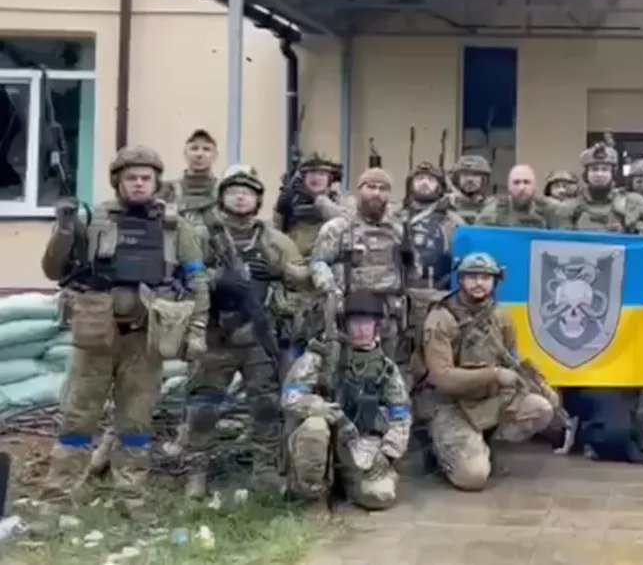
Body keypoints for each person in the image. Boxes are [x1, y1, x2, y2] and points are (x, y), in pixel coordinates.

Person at [39, 145, 209, 519]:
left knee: (136, 422)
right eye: (131, 178)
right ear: (118, 181)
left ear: (156, 182)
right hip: (96, 336)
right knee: (78, 418)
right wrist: (64, 228)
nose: (138, 184)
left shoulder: (175, 227)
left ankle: (131, 498)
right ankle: (56, 499)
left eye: (146, 178)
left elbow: (197, 281)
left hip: (145, 338)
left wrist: (197, 329)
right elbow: (53, 270)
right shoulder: (94, 220)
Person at [183, 164, 310, 498]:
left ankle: (264, 471)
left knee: (266, 406)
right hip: (214, 335)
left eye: (248, 193)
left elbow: (301, 282)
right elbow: (182, 275)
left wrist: (281, 300)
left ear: (258, 200)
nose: (241, 197)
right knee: (203, 407)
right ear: (221, 197)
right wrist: (215, 280)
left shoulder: (274, 240)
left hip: (257, 336)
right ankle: (196, 472)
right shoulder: (202, 235)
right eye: (234, 192)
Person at [420, 252, 555, 490]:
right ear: (461, 280)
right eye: (472, 277)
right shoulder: (441, 319)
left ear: (495, 281)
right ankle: (443, 451)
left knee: (542, 408)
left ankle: (486, 443)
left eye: (485, 277)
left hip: (488, 399)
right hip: (451, 405)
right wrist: (493, 375)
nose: (479, 283)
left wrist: (539, 385)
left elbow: (512, 359)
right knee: (473, 477)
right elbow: (443, 378)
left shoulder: (501, 316)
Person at [282, 291, 411, 509]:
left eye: (367, 323)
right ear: (345, 325)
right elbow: (290, 397)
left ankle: (347, 483)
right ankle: (313, 499)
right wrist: (324, 410)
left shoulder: (386, 368)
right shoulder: (320, 358)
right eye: (355, 323)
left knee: (380, 496)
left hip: (360, 447)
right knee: (314, 428)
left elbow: (401, 415)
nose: (361, 330)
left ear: (377, 327)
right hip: (325, 441)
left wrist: (388, 453)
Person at [310, 168, 410, 368]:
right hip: (349, 314)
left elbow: (409, 270)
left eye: (383, 189)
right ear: (359, 190)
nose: (376, 193)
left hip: (388, 315)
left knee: (386, 369)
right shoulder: (338, 227)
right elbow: (318, 262)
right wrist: (330, 290)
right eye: (371, 187)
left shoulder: (398, 230)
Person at [395, 161, 463, 377]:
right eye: (419, 178)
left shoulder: (453, 222)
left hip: (438, 297)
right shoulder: (395, 217)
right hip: (401, 297)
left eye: (431, 179)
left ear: (440, 185)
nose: (425, 183)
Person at [561, 143, 643, 233]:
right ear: (586, 174)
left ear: (613, 174)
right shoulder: (571, 205)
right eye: (594, 169)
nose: (599, 174)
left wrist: (640, 227)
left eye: (605, 169)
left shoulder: (631, 201)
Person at [274, 152, 344, 258]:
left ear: (330, 179)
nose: (316, 178)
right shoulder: (292, 202)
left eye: (322, 174)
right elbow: (276, 236)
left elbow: (344, 224)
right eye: (311, 173)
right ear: (302, 178)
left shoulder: (341, 203)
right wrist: (280, 212)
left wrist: (318, 199)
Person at [160, 129, 220, 218]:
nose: (199, 154)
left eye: (206, 149)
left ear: (215, 155)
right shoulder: (168, 190)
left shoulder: (223, 190)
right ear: (185, 153)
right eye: (194, 148)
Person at [477, 164, 559, 228]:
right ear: (509, 187)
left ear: (534, 186)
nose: (521, 188)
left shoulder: (550, 210)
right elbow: (480, 238)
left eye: (526, 182)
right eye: (516, 182)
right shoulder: (493, 210)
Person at [447, 155, 492, 224]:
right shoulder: (445, 206)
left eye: (475, 174)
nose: (469, 179)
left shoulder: (492, 208)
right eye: (465, 174)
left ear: (484, 180)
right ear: (456, 179)